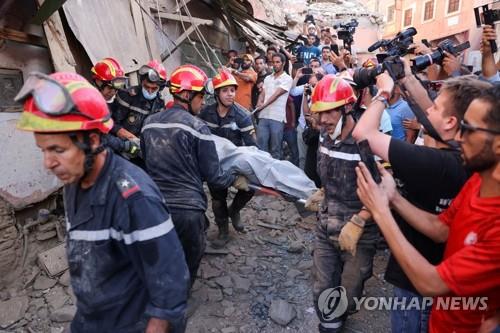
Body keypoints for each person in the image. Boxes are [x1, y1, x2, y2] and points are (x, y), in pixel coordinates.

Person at [15, 72, 189, 333]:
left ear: (93, 141)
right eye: (44, 150)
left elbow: (170, 279)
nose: (48, 163)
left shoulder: (134, 199)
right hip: (93, 319)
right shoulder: (74, 183)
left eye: (58, 150)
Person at [353, 68, 491, 332]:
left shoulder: (435, 162)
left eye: (436, 106)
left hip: (419, 285)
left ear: (451, 123)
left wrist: (383, 92)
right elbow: (441, 230)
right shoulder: (475, 165)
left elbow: (364, 134)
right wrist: (405, 77)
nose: (427, 112)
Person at [141, 64, 248, 286]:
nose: (203, 102)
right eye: (201, 96)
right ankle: (180, 299)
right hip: (187, 209)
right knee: (189, 257)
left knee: (160, 254)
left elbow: (146, 161)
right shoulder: (198, 127)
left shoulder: (148, 124)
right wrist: (235, 179)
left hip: (153, 206)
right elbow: (215, 177)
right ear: (187, 95)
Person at [308, 75, 377, 332]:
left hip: (359, 233)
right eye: (319, 113)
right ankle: (330, 325)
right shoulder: (325, 137)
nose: (323, 120)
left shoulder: (365, 142)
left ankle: (341, 315)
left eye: (329, 113)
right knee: (322, 287)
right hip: (326, 226)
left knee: (349, 292)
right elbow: (327, 170)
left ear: (347, 107)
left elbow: (385, 188)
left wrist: (360, 219)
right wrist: (324, 191)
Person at [198, 70, 257, 247]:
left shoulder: (243, 115)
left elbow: (253, 147)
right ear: (216, 93)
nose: (230, 94)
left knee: (250, 189)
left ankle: (234, 210)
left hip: (236, 162)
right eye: (225, 91)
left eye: (232, 90)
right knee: (217, 199)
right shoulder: (205, 113)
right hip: (214, 163)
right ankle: (223, 231)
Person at [90, 57, 141, 158]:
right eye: (110, 88)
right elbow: (97, 136)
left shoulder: (108, 102)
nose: (113, 93)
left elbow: (110, 124)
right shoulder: (89, 102)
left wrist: (128, 137)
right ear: (98, 82)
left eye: (115, 89)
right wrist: (124, 145)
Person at [111, 59, 167, 141]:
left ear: (160, 88)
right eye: (146, 86)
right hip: (120, 143)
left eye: (154, 88)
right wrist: (132, 140)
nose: (150, 91)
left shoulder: (160, 104)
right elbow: (112, 123)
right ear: (141, 82)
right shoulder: (127, 96)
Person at [255, 53, 293, 159]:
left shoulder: (287, 79)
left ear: (283, 63)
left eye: (278, 62)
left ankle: (275, 174)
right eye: (273, 62)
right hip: (263, 116)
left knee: (275, 149)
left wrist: (262, 106)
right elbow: (263, 93)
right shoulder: (267, 78)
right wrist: (259, 101)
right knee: (261, 147)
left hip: (277, 117)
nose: (275, 64)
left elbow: (276, 95)